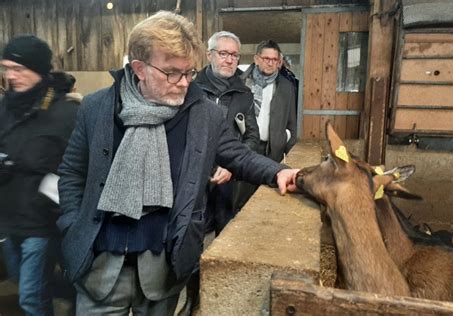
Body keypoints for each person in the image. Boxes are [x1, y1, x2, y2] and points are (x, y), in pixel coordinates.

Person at [57, 11, 299, 315]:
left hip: (162, 264)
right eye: (172, 73)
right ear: (139, 68)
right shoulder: (96, 109)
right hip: (101, 262)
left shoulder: (203, 115)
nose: (184, 83)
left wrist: (279, 171)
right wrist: (70, 223)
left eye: (190, 72)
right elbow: (71, 173)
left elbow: (239, 156)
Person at [0, 34, 79, 316]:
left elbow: (78, 166)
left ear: (38, 70)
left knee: (30, 298)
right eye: (7, 68)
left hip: (43, 223)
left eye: (19, 69)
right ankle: (69, 295)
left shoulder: (66, 114)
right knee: (26, 284)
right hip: (9, 220)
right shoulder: (4, 109)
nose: (11, 76)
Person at [195, 31, 259, 236]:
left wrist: (232, 164)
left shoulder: (244, 94)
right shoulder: (191, 89)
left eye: (234, 55)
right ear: (209, 55)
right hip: (195, 176)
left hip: (227, 178)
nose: (229, 60)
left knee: (225, 232)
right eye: (223, 53)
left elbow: (251, 136)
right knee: (193, 232)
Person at [236, 40, 297, 210]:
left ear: (279, 62)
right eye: (266, 58)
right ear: (256, 59)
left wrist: (287, 143)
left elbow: (291, 120)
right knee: (240, 196)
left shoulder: (286, 86)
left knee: (266, 196)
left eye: (274, 60)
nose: (270, 63)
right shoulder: (241, 82)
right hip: (244, 147)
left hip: (271, 149)